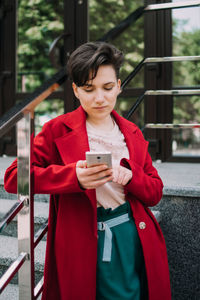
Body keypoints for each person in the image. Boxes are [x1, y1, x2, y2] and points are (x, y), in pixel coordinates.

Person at [4, 42, 171, 300]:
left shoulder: (133, 133)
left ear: (118, 86)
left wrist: (131, 176)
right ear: (76, 90)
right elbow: (14, 177)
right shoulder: (57, 130)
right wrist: (73, 177)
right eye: (88, 89)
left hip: (133, 236)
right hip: (82, 239)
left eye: (107, 87)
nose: (100, 98)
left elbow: (155, 192)